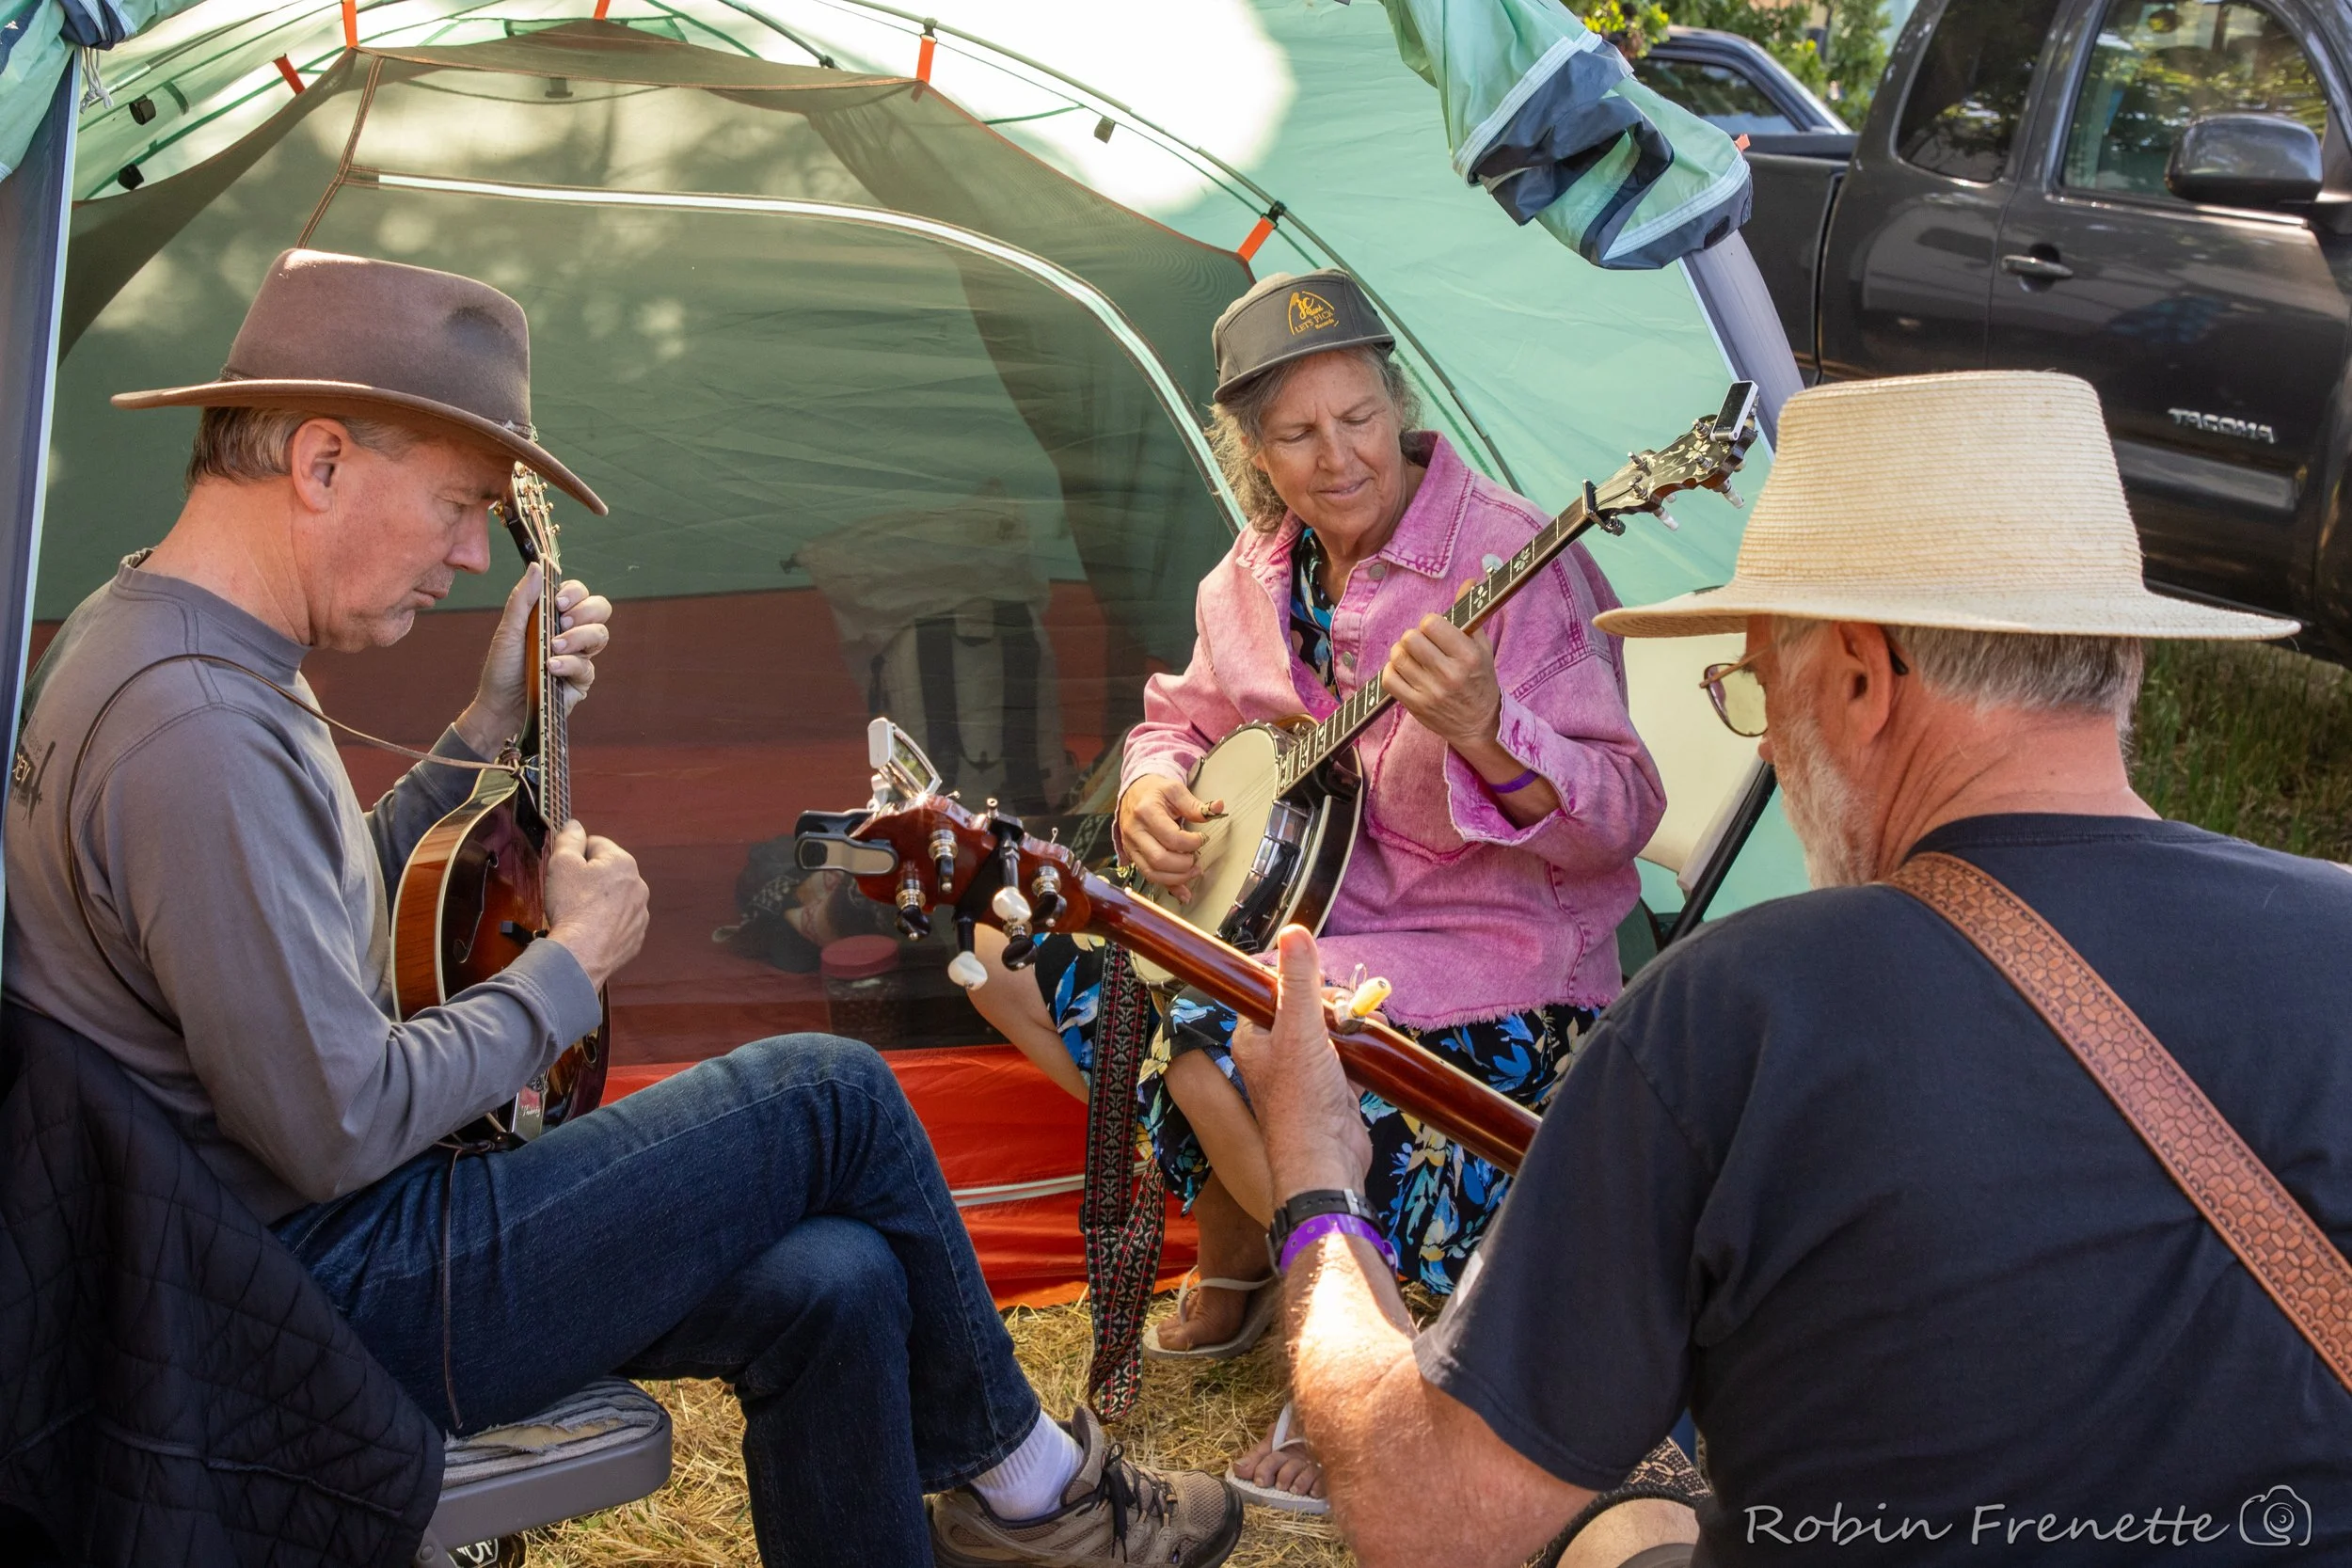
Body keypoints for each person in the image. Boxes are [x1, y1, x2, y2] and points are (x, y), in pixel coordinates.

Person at [2, 248, 1240, 1568]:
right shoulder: (195, 727)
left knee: (840, 1282)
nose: (475, 552)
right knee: (828, 1093)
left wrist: (479, 734)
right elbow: (334, 1120)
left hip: (268, 1254)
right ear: (318, 462)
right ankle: (1034, 1486)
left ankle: (993, 1496)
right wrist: (570, 966)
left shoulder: (168, 638)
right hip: (293, 1304)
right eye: (460, 504)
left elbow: (300, 918)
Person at [1227, 369, 2352, 1566]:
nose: (1764, 730)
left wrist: (1313, 1183)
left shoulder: (1734, 1012)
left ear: (1861, 676)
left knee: (1620, 1532)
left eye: (1758, 680)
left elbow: (1435, 1514)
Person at [967, 267, 1666, 1509]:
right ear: (1253, 449)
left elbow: (1620, 817)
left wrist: (1492, 729)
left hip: (1488, 972)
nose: (1337, 457)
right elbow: (1176, 718)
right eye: (1295, 434)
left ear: (1396, 403)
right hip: (1301, 937)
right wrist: (1152, 787)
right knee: (1010, 946)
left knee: (1230, 1022)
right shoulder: (1250, 574)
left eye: (1357, 417)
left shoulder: (1507, 556)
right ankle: (1250, 1255)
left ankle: (1345, 1357)